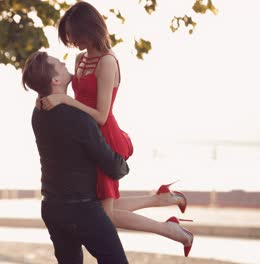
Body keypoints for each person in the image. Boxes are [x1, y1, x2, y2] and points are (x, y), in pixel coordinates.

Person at [38, 1, 194, 257]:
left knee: (105, 215)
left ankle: (172, 231)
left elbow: (101, 115)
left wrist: (65, 100)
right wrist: (50, 98)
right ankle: (163, 199)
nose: (72, 42)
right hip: (87, 140)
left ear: (89, 29)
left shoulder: (108, 62)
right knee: (100, 208)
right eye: (68, 37)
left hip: (105, 138)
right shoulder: (80, 59)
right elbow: (67, 97)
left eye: (74, 36)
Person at [23, 51, 129, 263]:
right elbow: (113, 166)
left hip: (52, 207)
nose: (64, 62)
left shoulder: (38, 112)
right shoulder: (79, 118)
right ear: (56, 80)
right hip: (81, 209)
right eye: (58, 63)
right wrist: (124, 161)